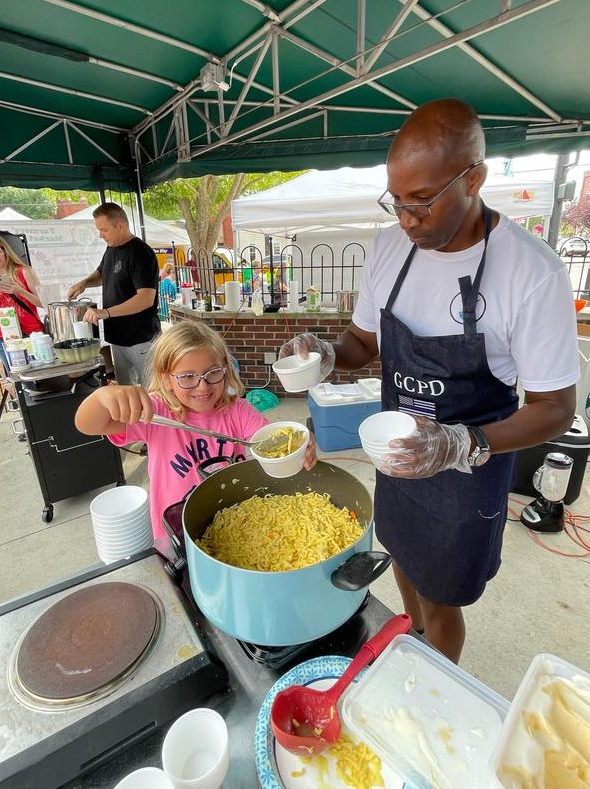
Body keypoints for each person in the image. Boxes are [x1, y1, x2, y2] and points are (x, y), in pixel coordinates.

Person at [279, 99, 579, 663]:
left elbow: (556, 406)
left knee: (443, 599)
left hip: (469, 468)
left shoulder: (531, 272)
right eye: (396, 201)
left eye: (421, 201)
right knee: (401, 557)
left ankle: (432, 677)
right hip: (396, 453)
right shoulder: (388, 249)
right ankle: (410, 638)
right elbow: (362, 344)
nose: (406, 219)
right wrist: (325, 354)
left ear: (474, 179)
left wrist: (462, 442)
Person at [75, 321, 317, 541]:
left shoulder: (239, 410)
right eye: (187, 377)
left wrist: (298, 448)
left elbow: (272, 442)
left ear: (225, 369)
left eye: (213, 372)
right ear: (166, 379)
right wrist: (101, 397)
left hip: (235, 526)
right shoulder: (155, 412)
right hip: (176, 532)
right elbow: (88, 425)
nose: (202, 386)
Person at [67, 203, 160, 385]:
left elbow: (146, 299)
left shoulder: (141, 253)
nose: (100, 235)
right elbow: (102, 273)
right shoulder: (112, 248)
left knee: (152, 389)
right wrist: (84, 283)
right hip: (118, 337)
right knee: (125, 389)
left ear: (120, 225)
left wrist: (105, 312)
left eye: (104, 230)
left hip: (141, 337)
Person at [0, 233, 44, 374]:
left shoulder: (24, 271)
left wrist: (20, 291)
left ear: (5, 250)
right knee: (17, 378)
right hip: (3, 337)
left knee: (38, 375)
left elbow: (42, 303)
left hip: (30, 334)